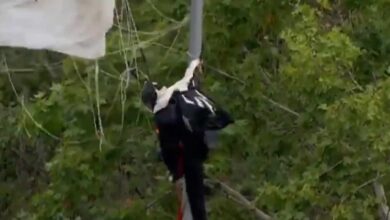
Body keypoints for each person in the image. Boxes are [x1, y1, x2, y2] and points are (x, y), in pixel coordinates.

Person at [141, 60, 233, 220]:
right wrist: (195, 63)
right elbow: (189, 75)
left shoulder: (162, 115)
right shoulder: (179, 89)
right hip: (209, 128)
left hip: (191, 151)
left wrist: (175, 172)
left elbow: (168, 148)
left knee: (194, 192)